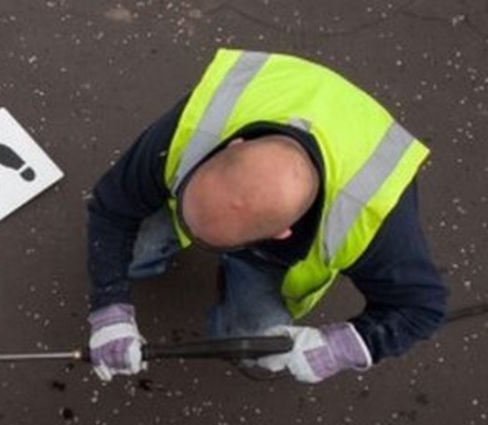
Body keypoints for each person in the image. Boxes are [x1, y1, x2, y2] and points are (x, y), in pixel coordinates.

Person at [86, 49, 448, 383]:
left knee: (255, 344)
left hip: (275, 259)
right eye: (186, 205)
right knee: (127, 253)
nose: (190, 235)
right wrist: (109, 307)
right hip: (283, 106)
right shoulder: (201, 125)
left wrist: (343, 347)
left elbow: (420, 309)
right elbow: (111, 207)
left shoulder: (374, 213)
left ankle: (240, 280)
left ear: (281, 233)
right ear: (232, 146)